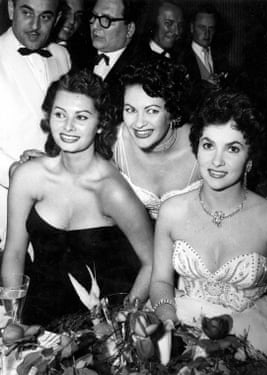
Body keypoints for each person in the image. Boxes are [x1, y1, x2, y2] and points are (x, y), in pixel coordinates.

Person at [150, 89, 267, 374]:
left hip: (252, 341)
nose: (216, 161)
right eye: (208, 145)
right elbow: (159, 281)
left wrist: (235, 331)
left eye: (232, 148)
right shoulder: (171, 210)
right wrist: (169, 320)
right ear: (196, 148)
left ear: (251, 156)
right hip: (180, 330)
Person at [1, 70, 153, 326]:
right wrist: (14, 318)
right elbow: (15, 253)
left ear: (102, 123)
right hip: (36, 319)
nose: (68, 127)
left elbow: (153, 262)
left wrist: (122, 322)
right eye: (60, 114)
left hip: (95, 330)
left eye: (81, 117)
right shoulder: (27, 176)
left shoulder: (111, 189)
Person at [0, 0, 71, 248]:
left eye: (46, 17)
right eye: (27, 13)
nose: (35, 26)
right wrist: (25, 176)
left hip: (61, 205)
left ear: (58, 18)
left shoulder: (62, 55)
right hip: (6, 202)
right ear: (10, 9)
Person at [113, 60, 202, 221]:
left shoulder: (203, 146)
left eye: (152, 111)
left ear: (173, 112)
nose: (139, 123)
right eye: (130, 110)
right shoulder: (114, 142)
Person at [177, 3, 230, 110]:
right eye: (202, 27)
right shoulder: (180, 56)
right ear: (192, 28)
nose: (207, 33)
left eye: (211, 28)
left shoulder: (220, 57)